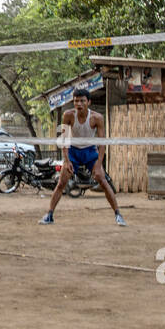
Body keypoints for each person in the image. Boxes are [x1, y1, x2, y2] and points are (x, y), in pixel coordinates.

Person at [39, 88, 124, 226]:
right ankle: (49, 214)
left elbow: (102, 143)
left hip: (90, 151)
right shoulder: (68, 115)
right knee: (62, 182)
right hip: (73, 150)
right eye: (76, 101)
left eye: (82, 101)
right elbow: (63, 139)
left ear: (88, 102)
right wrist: (66, 161)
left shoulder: (97, 118)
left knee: (102, 180)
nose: (79, 104)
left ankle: (118, 214)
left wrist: (98, 164)